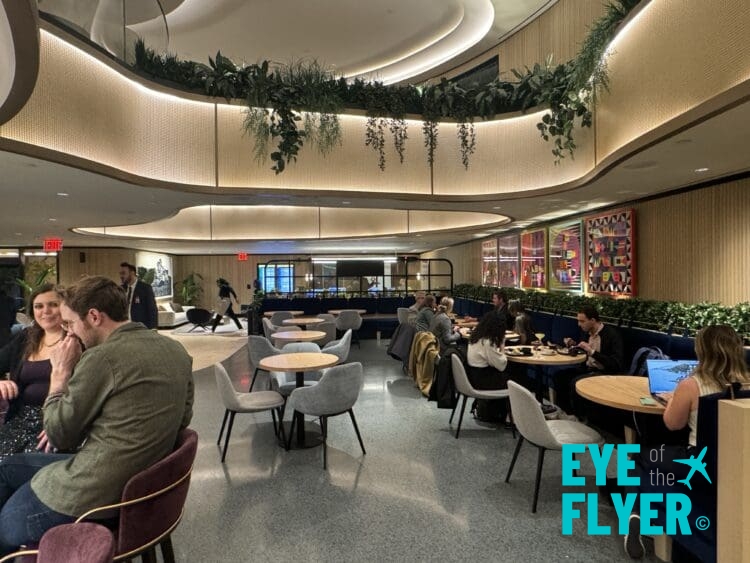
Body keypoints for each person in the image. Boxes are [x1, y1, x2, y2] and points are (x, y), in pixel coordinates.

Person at [0, 275, 194, 555]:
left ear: (93, 316)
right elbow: (183, 419)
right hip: (142, 482)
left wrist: (59, 375)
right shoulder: (175, 349)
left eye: (69, 323)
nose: (68, 333)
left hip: (93, 493)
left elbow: (58, 434)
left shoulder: (100, 358)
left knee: (4, 523)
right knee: (9, 467)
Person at [623, 325, 750, 558]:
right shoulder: (747, 382)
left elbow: (673, 424)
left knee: (640, 457)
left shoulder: (692, 385)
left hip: (699, 462)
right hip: (739, 463)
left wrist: (672, 400)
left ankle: (636, 513)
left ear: (702, 351)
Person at [0, 284, 64, 462]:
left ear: (66, 307)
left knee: (22, 470)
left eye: (53, 304)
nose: (46, 311)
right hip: (20, 420)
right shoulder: (26, 337)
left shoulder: (77, 341)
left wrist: (62, 425)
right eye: (39, 306)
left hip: (58, 424)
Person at [552, 305, 624, 417]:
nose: (579, 324)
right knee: (560, 376)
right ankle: (566, 413)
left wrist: (592, 352)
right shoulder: (586, 332)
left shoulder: (612, 335)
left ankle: (579, 418)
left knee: (576, 382)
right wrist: (574, 345)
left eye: (582, 321)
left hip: (604, 373)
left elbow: (616, 364)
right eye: (578, 321)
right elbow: (583, 352)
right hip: (586, 369)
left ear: (593, 320)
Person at [466, 313, 510, 424]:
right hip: (482, 380)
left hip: (472, 376)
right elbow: (501, 365)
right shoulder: (488, 341)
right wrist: (502, 346)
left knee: (510, 376)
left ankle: (503, 413)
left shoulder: (476, 336)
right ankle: (512, 418)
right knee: (515, 379)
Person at [118, 262, 158, 329]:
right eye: (120, 273)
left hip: (140, 328)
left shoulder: (145, 288)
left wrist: (153, 329)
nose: (121, 276)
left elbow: (152, 310)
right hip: (124, 328)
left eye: (123, 273)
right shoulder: (120, 289)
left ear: (132, 273)